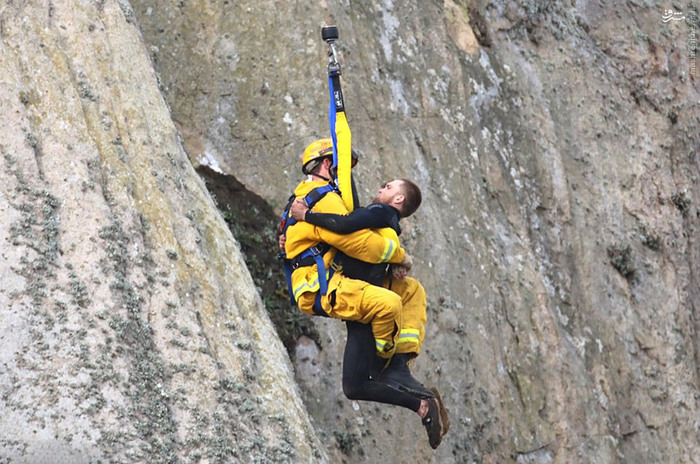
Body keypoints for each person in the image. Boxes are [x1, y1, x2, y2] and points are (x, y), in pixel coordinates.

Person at [282, 139, 448, 448]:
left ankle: (417, 398)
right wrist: (399, 256)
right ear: (329, 165)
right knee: (389, 303)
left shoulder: (318, 197)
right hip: (326, 285)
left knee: (409, 293)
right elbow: (363, 244)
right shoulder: (321, 199)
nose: (349, 176)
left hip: (347, 283)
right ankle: (386, 363)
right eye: (344, 167)